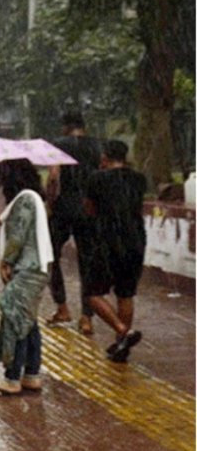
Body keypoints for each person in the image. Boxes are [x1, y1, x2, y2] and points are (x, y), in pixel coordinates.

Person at [0, 159, 53, 398]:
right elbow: (18, 225)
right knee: (27, 321)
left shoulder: (25, 198)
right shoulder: (30, 198)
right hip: (34, 268)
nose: (1, 187)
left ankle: (12, 378)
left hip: (28, 268)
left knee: (13, 316)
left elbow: (19, 235)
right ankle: (31, 374)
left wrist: (6, 261)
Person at [83, 140, 146, 363]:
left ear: (105, 157)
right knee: (125, 294)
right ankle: (122, 346)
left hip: (109, 241)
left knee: (92, 293)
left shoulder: (96, 178)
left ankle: (123, 331)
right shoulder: (139, 179)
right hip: (136, 240)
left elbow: (90, 210)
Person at [45, 111, 103, 335]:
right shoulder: (96, 146)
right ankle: (87, 318)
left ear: (65, 127)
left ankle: (62, 308)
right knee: (87, 263)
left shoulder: (58, 145)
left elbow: (53, 177)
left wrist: (50, 202)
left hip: (63, 207)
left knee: (51, 257)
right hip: (88, 208)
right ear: (83, 126)